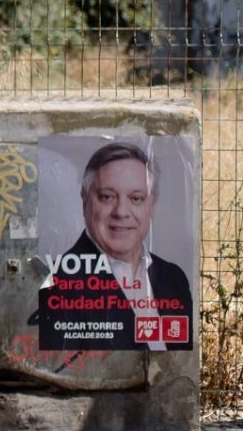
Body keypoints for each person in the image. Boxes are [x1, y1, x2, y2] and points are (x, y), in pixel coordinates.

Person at [34, 143, 194, 351]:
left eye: (136, 199)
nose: (121, 212)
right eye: (107, 197)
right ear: (84, 201)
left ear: (152, 206)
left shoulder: (174, 278)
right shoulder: (55, 284)